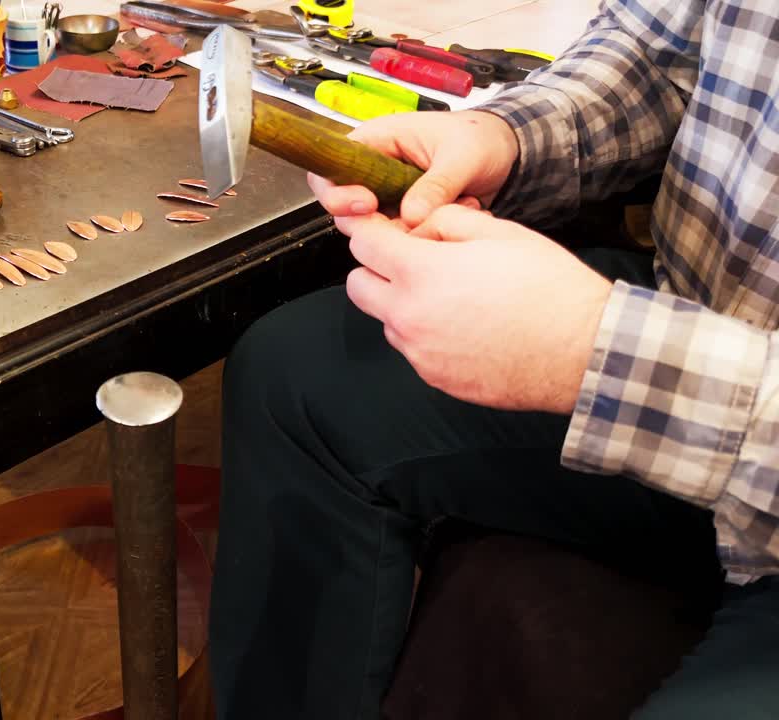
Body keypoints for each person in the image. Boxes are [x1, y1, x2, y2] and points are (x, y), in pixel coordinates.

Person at [207, 0, 779, 716]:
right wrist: (509, 135)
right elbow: (656, 51)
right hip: (696, 323)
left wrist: (596, 352)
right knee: (293, 375)